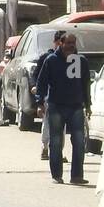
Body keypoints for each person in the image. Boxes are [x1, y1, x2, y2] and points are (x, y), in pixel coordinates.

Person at [34, 30, 92, 185]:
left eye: (73, 44)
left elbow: (85, 84)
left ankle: (76, 176)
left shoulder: (81, 61)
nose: (70, 46)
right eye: (68, 43)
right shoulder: (51, 60)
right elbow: (42, 83)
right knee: (56, 141)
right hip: (56, 106)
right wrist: (39, 103)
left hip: (76, 107)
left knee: (79, 141)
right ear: (60, 43)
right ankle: (57, 175)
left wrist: (88, 104)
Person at [31, 30, 66, 161]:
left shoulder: (71, 59)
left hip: (64, 98)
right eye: (61, 42)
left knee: (62, 126)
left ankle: (58, 152)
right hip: (48, 96)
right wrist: (35, 88)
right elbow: (36, 76)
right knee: (48, 123)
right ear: (56, 42)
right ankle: (45, 147)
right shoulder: (46, 58)